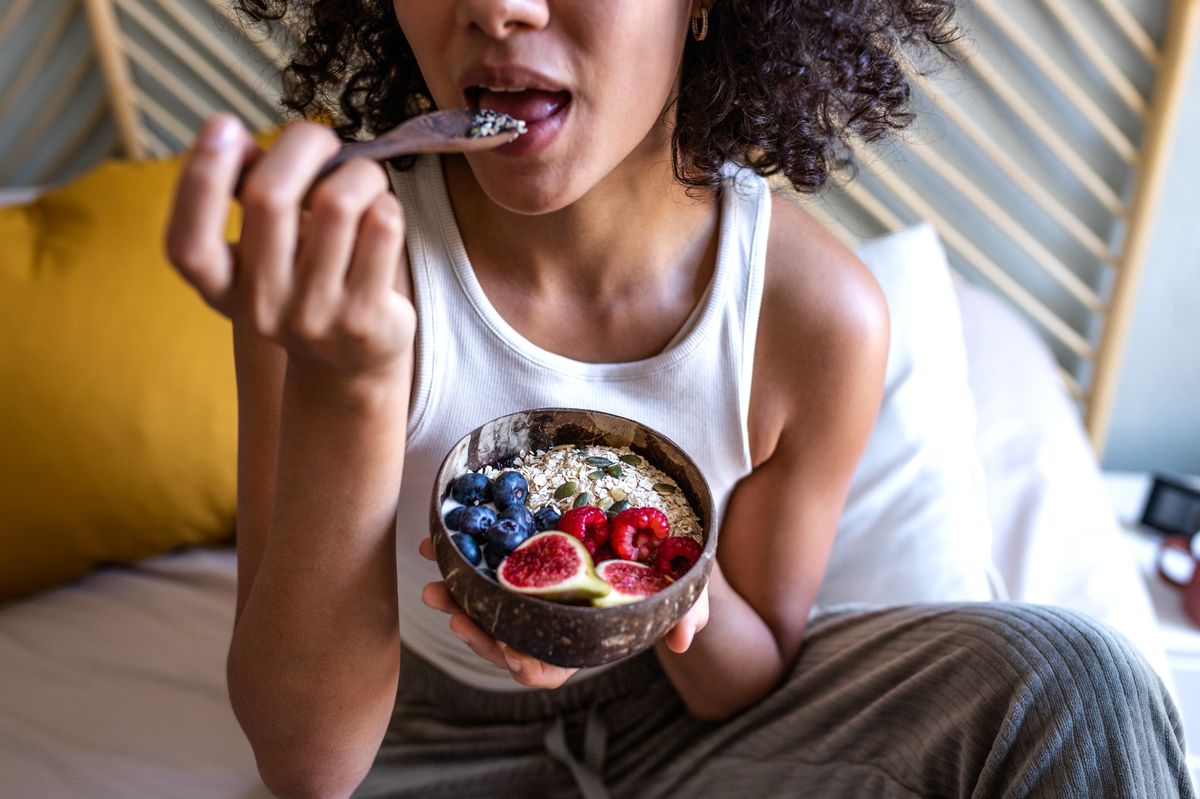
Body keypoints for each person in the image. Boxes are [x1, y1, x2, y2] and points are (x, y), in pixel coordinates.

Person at [164, 1, 1192, 797]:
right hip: (413, 740)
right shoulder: (336, 277)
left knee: (1082, 684)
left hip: (694, 735)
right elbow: (307, 768)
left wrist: (653, 581)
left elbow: (743, 683)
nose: (499, 8)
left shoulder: (811, 315)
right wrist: (351, 384)